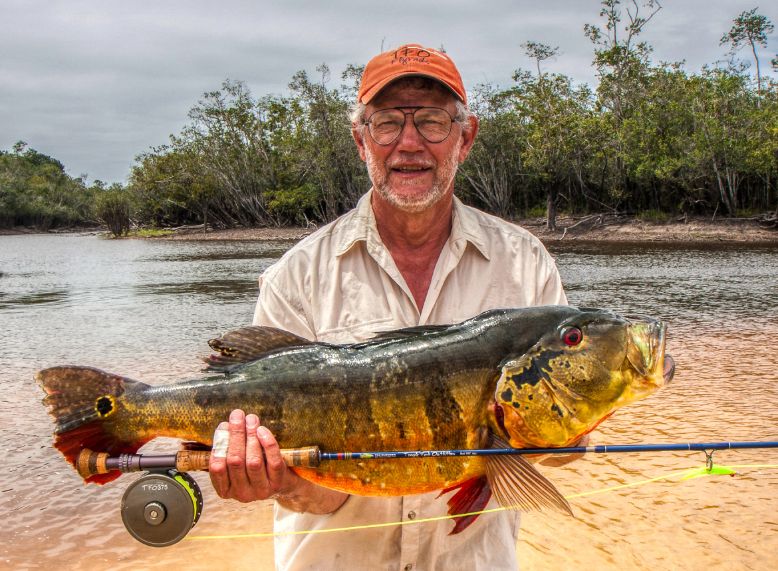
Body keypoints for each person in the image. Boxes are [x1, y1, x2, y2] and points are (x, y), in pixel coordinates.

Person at [209, 44, 568, 571]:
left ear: (464, 139)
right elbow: (315, 494)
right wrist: (275, 477)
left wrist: (574, 428)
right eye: (385, 124)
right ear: (361, 140)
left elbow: (557, 444)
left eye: (431, 122)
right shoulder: (296, 275)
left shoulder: (526, 264)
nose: (409, 144)